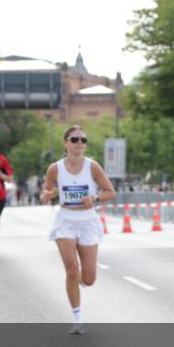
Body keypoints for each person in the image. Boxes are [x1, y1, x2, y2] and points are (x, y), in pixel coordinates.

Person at [40, 126, 116, 335]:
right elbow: (46, 190)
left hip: (88, 221)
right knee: (72, 271)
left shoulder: (93, 166)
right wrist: (47, 194)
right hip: (65, 220)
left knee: (89, 279)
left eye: (83, 139)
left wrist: (95, 198)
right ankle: (78, 319)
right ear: (65, 143)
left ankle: (82, 278)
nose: (80, 143)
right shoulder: (55, 168)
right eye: (75, 139)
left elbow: (110, 192)